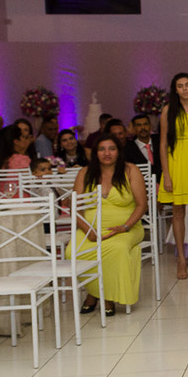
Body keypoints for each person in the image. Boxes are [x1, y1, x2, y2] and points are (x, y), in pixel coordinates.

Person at [67, 133, 147, 317]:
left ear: (119, 151)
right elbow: (75, 208)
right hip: (90, 228)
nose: (107, 153)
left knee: (116, 248)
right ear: (95, 153)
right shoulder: (85, 173)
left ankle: (106, 297)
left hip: (126, 228)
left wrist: (125, 227)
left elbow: (142, 205)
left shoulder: (130, 170)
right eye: (102, 149)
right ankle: (96, 292)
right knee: (72, 252)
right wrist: (88, 230)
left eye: (112, 148)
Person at [158, 72, 188, 279]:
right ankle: (181, 259)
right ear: (175, 89)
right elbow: (162, 143)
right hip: (176, 163)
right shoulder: (168, 110)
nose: (185, 88)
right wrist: (166, 174)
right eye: (180, 85)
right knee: (178, 212)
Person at [123, 114, 161, 178]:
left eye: (145, 124)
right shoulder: (128, 149)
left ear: (150, 126)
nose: (143, 128)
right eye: (139, 125)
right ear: (134, 128)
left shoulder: (160, 141)